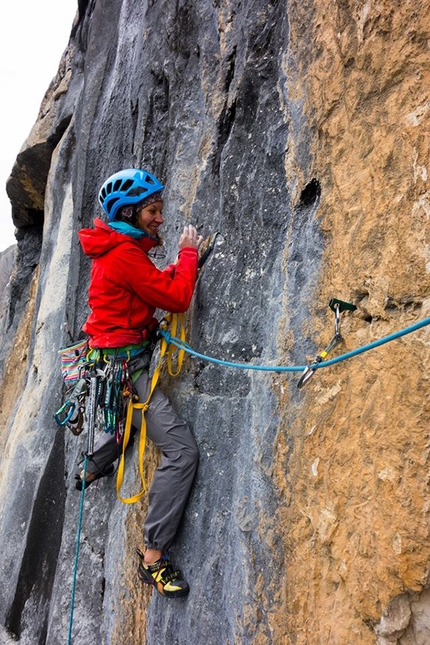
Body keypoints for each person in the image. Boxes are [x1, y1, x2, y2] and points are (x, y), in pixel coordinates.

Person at [77, 168, 203, 598]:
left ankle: (93, 464)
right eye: (153, 211)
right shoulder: (124, 255)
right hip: (128, 367)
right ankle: (153, 557)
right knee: (182, 452)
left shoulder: (117, 249)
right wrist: (187, 258)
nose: (160, 219)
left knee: (126, 419)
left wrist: (169, 271)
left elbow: (143, 290)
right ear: (129, 213)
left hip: (113, 359)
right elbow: (177, 298)